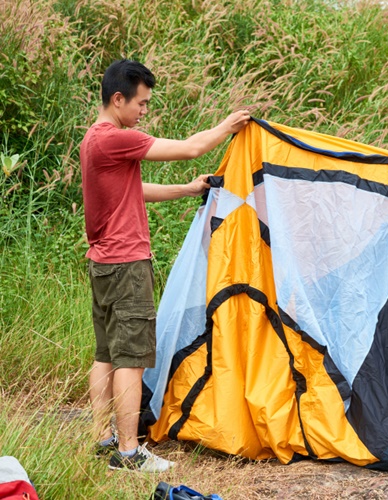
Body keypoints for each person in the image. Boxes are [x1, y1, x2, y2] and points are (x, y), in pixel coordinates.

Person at [81, 59, 251, 472]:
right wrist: (227, 126)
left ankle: (101, 440)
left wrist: (188, 189)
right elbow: (191, 147)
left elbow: (134, 189)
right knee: (131, 359)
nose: (143, 112)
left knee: (106, 354)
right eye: (140, 103)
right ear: (118, 99)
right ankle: (127, 452)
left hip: (102, 263)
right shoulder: (115, 139)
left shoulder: (93, 140)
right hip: (126, 264)